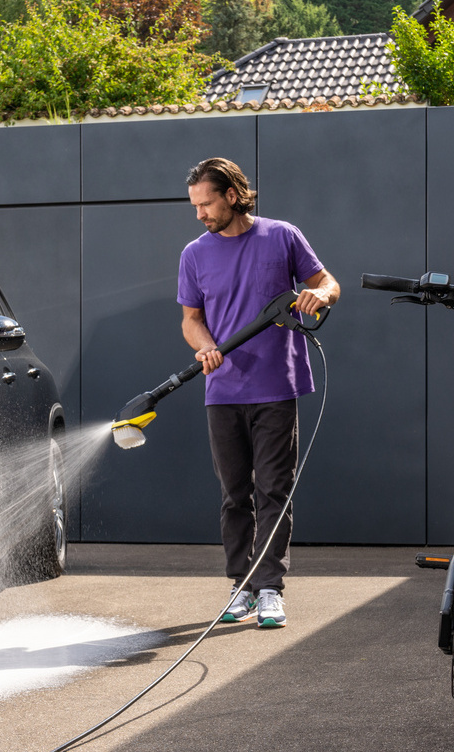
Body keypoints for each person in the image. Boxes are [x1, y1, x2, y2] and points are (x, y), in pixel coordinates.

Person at [177, 157, 340, 629]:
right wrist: (206, 346)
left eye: (206, 203)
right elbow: (191, 320)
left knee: (273, 489)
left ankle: (269, 588)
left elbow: (328, 283)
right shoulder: (194, 254)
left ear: (231, 194)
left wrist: (320, 297)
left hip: (276, 385)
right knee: (234, 495)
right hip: (222, 389)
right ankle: (241, 585)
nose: (200, 213)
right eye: (195, 206)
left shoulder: (282, 236)